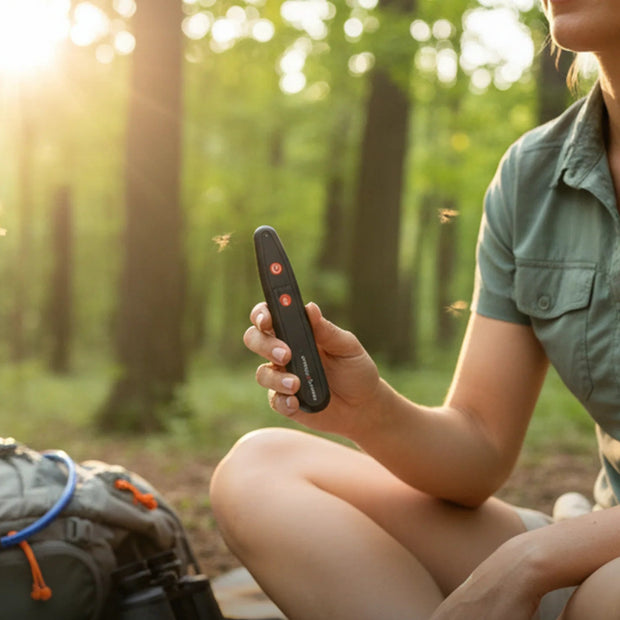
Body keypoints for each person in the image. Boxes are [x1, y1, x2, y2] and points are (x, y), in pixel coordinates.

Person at [209, 0, 620, 617]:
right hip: (594, 547)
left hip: (592, 564)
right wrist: (368, 410)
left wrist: (531, 560)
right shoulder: (532, 178)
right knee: (259, 471)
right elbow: (479, 449)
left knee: (604, 599)